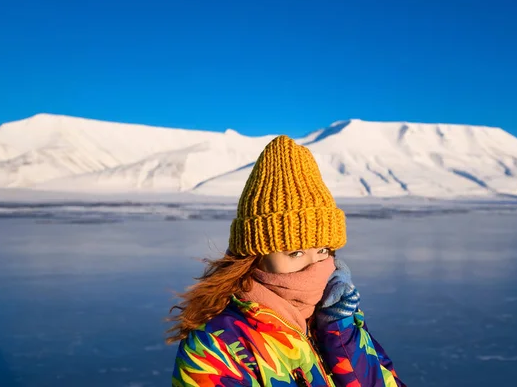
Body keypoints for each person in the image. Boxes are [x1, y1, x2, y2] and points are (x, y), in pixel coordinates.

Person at [168, 135, 405, 387]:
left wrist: (341, 337)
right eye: (296, 253)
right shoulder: (216, 349)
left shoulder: (339, 317)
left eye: (323, 250)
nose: (316, 267)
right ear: (254, 257)